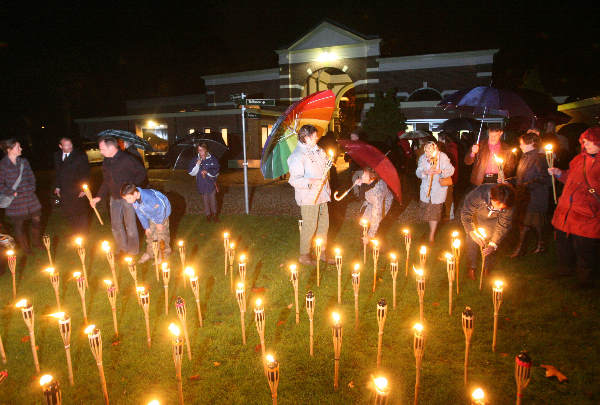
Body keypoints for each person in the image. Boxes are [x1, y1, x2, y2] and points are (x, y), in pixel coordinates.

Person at [548, 127, 600, 285]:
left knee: (584, 248)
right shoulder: (578, 159)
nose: (587, 144)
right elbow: (569, 177)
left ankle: (585, 279)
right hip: (566, 210)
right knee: (563, 243)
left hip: (587, 213)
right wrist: (559, 173)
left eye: (591, 141)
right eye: (585, 141)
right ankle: (564, 270)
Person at [90, 136, 147, 256]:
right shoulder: (106, 161)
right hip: (114, 198)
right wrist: (98, 197)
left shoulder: (127, 159)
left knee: (130, 226)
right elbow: (106, 181)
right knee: (115, 226)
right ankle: (122, 248)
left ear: (111, 148)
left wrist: (132, 188)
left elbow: (142, 173)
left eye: (102, 149)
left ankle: (132, 251)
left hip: (128, 198)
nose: (101, 151)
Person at [288, 124, 335, 265]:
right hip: (309, 197)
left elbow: (325, 162)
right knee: (309, 226)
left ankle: (321, 251)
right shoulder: (296, 156)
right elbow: (294, 180)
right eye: (314, 136)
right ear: (306, 138)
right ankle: (304, 255)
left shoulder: (317, 150)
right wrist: (312, 181)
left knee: (323, 224)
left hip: (322, 194)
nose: (317, 138)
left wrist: (328, 162)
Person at [508, 132, 551, 257]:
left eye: (522, 143)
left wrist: (527, 186)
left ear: (532, 143)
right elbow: (520, 177)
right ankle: (534, 246)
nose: (520, 146)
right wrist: (509, 180)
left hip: (535, 196)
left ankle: (531, 247)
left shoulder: (539, 158)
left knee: (532, 222)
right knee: (526, 223)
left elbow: (545, 179)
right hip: (525, 196)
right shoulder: (524, 157)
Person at [461, 183, 515, 280]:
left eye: (502, 208)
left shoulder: (509, 203)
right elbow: (466, 212)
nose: (498, 209)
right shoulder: (479, 194)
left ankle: (486, 267)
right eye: (497, 206)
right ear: (492, 198)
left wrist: (493, 244)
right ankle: (471, 267)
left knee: (490, 244)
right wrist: (472, 231)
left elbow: (503, 225)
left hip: (494, 222)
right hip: (477, 218)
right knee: (471, 241)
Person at [0, 139, 43, 252]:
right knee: (19, 226)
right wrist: (11, 192)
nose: (21, 149)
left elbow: (31, 177)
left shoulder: (24, 162)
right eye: (18, 147)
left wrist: (32, 188)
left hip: (30, 197)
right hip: (15, 201)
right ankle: (26, 249)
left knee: (37, 220)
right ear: (9, 150)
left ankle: (36, 242)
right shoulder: (2, 165)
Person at [120, 183, 172, 263]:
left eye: (129, 198)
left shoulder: (149, 197)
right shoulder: (135, 200)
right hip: (151, 216)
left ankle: (163, 255)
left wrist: (159, 222)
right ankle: (150, 253)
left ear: (135, 193)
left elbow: (161, 209)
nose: (128, 201)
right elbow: (140, 214)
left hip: (162, 216)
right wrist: (146, 227)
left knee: (162, 236)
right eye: (126, 199)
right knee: (150, 234)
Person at [415, 141, 455, 242]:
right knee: (428, 212)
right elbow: (418, 171)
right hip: (425, 190)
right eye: (426, 151)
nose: (428, 153)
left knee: (434, 213)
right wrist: (424, 172)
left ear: (435, 149)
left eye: (430, 150)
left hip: (437, 190)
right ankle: (430, 230)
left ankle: (431, 235)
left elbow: (451, 170)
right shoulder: (423, 158)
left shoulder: (443, 157)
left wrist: (440, 171)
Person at [53, 137, 90, 236]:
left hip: (78, 189)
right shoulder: (57, 156)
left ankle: (83, 233)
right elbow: (58, 173)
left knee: (81, 212)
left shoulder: (80, 155)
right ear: (60, 146)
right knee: (69, 211)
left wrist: (84, 189)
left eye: (70, 144)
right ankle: (75, 232)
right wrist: (57, 186)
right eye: (66, 145)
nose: (69, 147)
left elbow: (86, 172)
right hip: (65, 190)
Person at [352, 167, 393, 240]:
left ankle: (374, 242)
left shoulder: (377, 193)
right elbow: (362, 194)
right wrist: (358, 184)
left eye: (364, 175)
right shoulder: (369, 182)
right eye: (363, 174)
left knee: (376, 223)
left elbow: (376, 215)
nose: (362, 176)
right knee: (363, 220)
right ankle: (365, 238)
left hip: (383, 202)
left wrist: (370, 235)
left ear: (372, 178)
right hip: (371, 201)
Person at [188, 143, 220, 222]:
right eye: (199, 150)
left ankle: (215, 215)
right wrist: (197, 165)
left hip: (211, 183)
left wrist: (207, 171)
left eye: (202, 149)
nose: (200, 152)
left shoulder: (212, 158)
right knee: (205, 200)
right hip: (201, 183)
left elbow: (216, 170)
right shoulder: (195, 159)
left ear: (206, 150)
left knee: (213, 199)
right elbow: (191, 173)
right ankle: (208, 216)